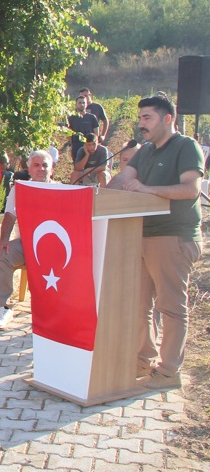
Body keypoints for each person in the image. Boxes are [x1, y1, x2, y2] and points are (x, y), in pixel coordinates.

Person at [108, 94, 204, 390]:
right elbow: (122, 179)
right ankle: (143, 360)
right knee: (140, 303)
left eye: (147, 118)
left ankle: (168, 372)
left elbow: (190, 189)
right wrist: (97, 194)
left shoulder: (186, 147)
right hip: (142, 235)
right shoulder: (145, 150)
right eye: (140, 118)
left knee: (171, 306)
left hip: (173, 237)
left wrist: (146, 189)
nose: (141, 124)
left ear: (168, 118)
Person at [0, 150, 56, 330]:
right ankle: (3, 308)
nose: (41, 169)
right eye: (36, 165)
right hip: (25, 245)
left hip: (53, 249)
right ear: (29, 169)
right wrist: (3, 239)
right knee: (1, 255)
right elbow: (10, 215)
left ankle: (56, 310)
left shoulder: (61, 190)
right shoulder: (19, 189)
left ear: (51, 170)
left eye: (45, 165)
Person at [66, 96, 101, 161]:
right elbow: (69, 135)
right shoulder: (71, 118)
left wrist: (94, 145)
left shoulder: (92, 117)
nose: (82, 105)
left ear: (86, 104)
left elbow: (96, 134)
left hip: (90, 147)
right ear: (76, 104)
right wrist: (71, 145)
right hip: (76, 147)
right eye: (80, 103)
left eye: (83, 103)